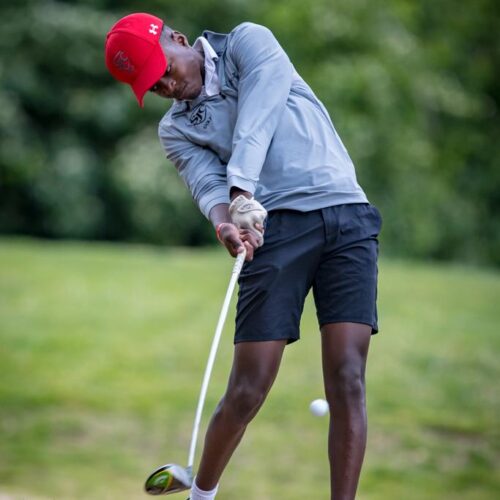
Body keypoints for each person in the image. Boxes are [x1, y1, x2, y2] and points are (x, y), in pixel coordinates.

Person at [105, 12, 382, 500]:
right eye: (153, 85)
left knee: (348, 376)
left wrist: (241, 189)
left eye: (165, 69)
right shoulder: (176, 131)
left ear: (178, 39)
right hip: (272, 233)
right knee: (248, 387)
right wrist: (226, 222)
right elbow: (205, 185)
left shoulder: (249, 44)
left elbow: (260, 115)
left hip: (345, 214)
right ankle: (202, 494)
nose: (166, 85)